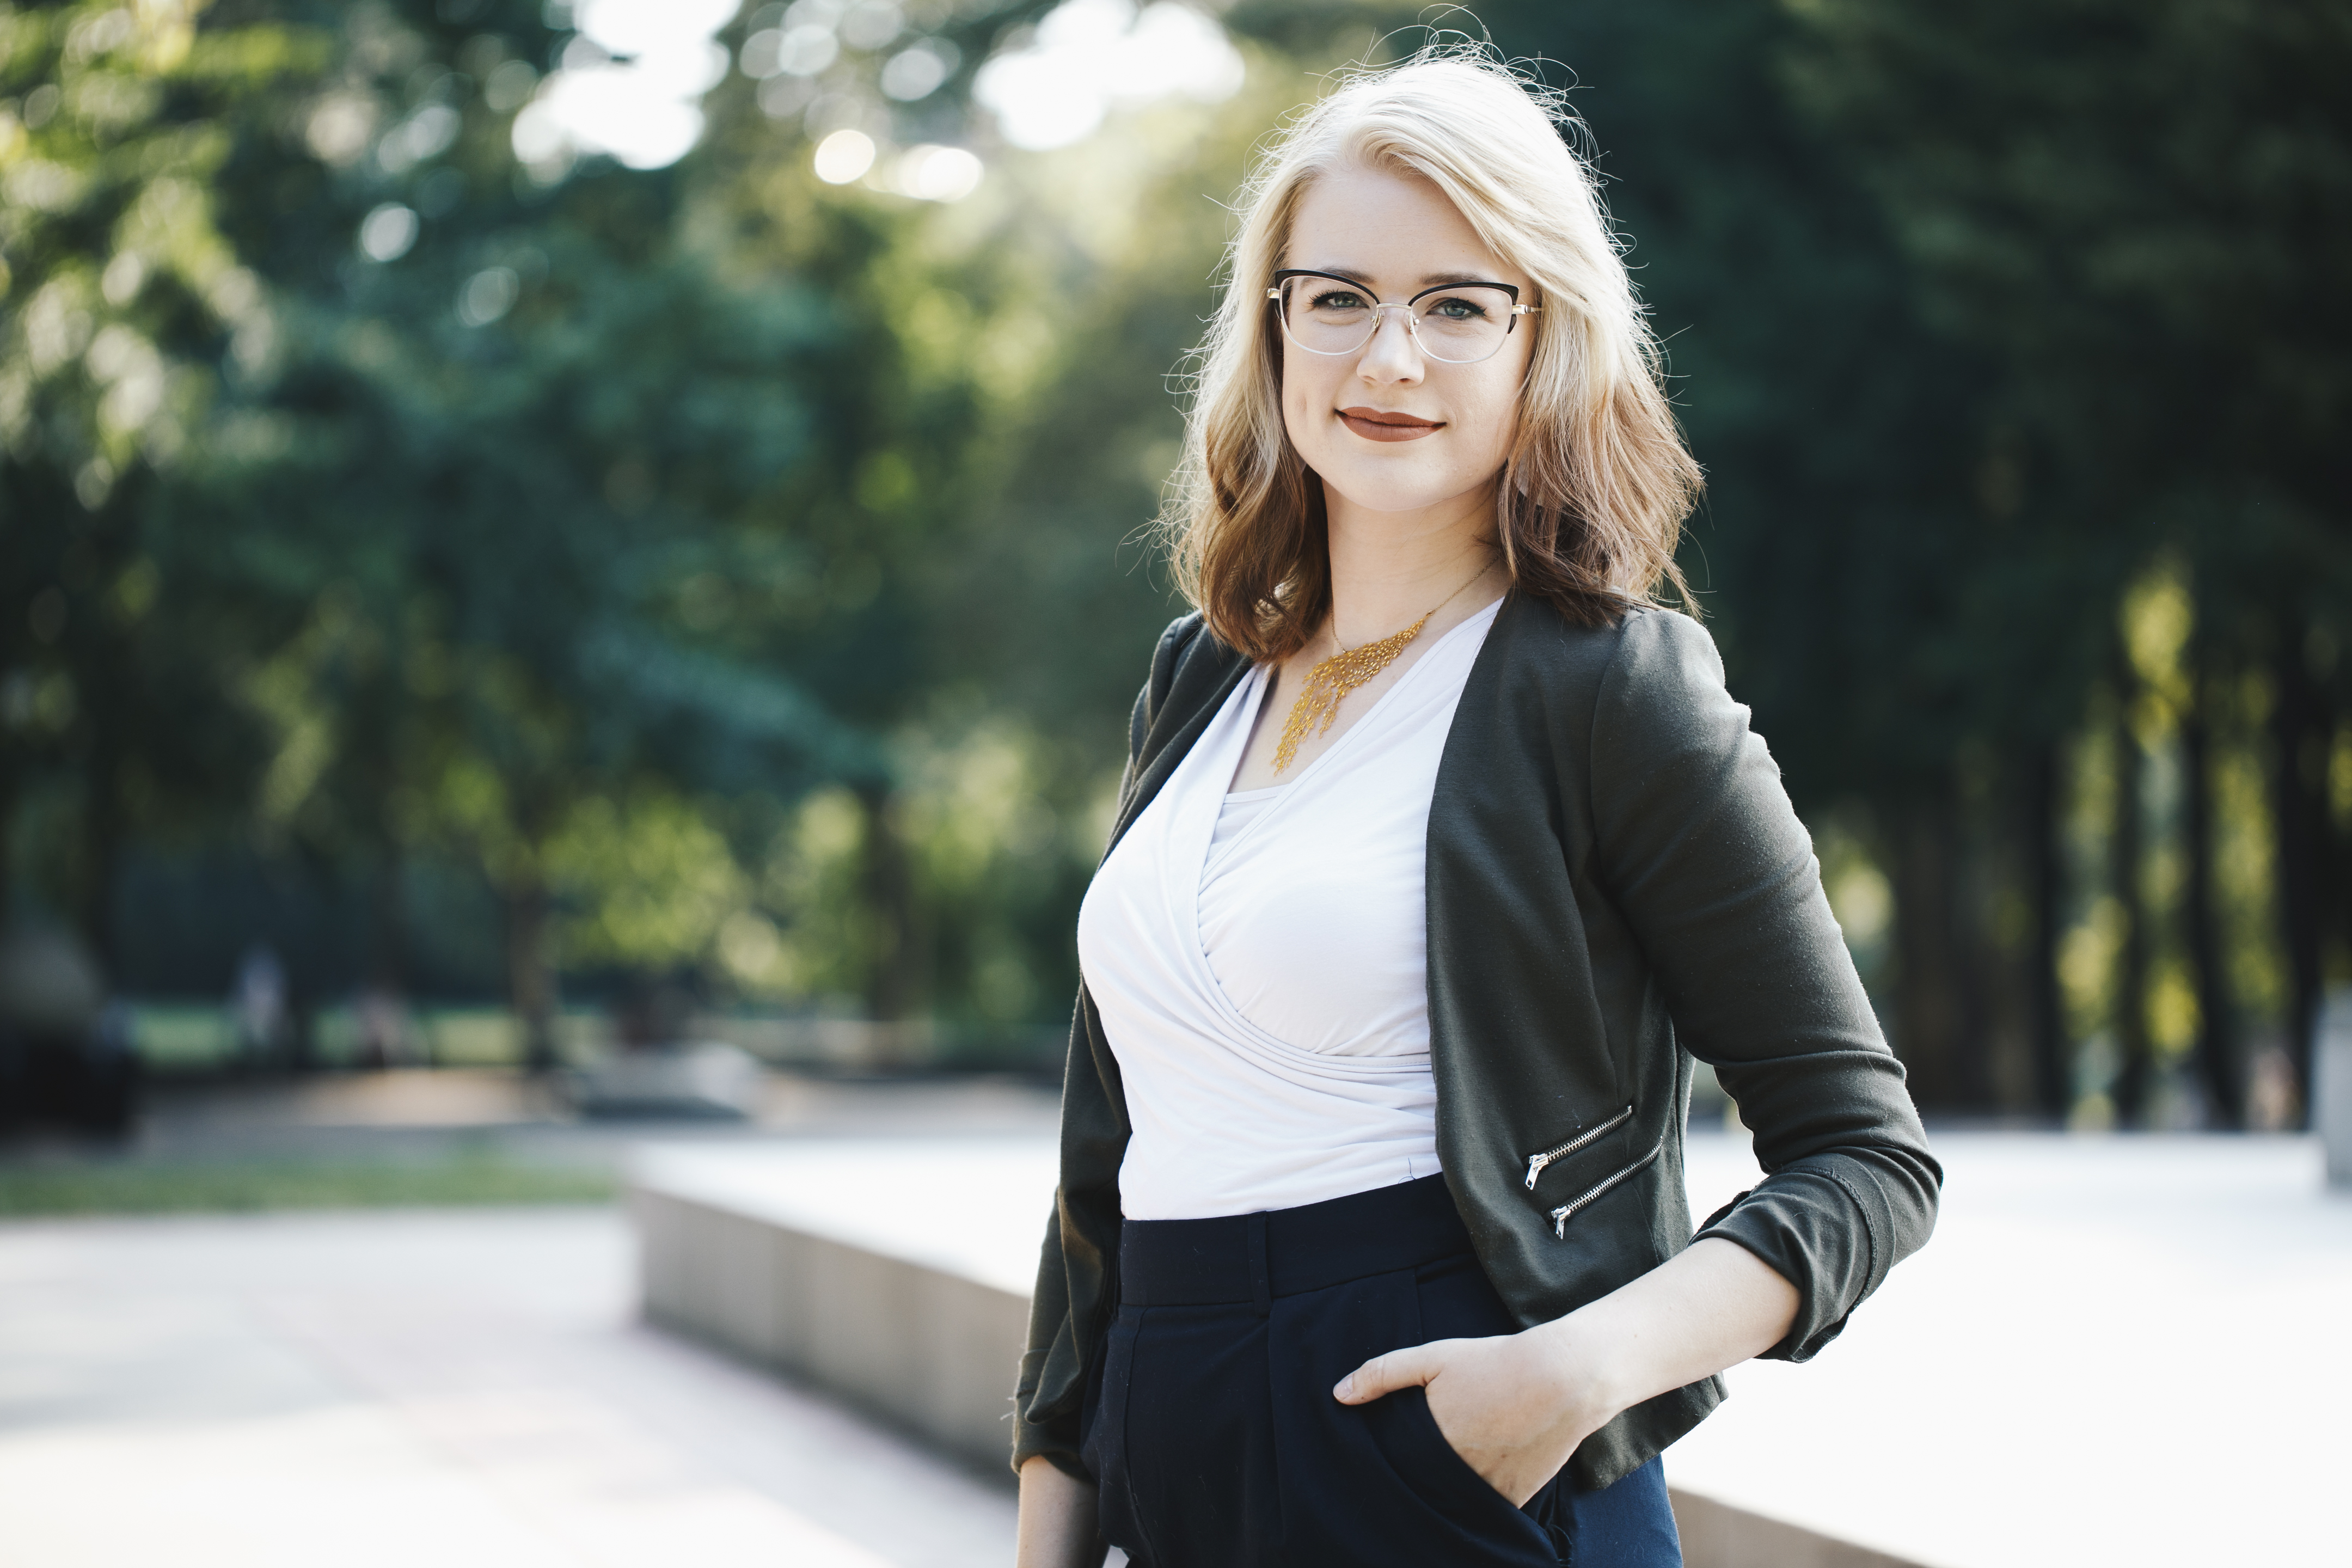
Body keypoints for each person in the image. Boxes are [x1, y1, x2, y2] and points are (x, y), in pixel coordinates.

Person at [1011, 51, 1940, 1568]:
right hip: (1174, 1459)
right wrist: (1052, 1532)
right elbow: (1106, 1172)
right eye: (1341, 298)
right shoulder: (1199, 678)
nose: (1390, 361)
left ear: (1544, 344)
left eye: (1458, 306)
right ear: (1273, 324)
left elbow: (1868, 1160)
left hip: (1452, 1459)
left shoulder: (1612, 690)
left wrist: (1566, 1378)